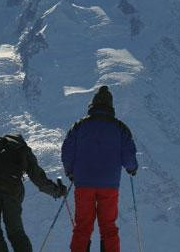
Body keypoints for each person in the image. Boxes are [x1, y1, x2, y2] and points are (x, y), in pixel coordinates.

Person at [61, 86, 138, 252]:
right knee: (108, 227)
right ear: (111, 106)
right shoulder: (120, 128)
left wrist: (70, 171)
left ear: (93, 105)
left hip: (83, 184)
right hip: (109, 185)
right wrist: (132, 168)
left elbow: (67, 150)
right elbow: (129, 155)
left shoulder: (80, 125)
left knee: (83, 226)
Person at [0, 133, 67, 252]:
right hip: (12, 194)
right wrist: (57, 191)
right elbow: (38, 178)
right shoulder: (23, 149)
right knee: (16, 233)